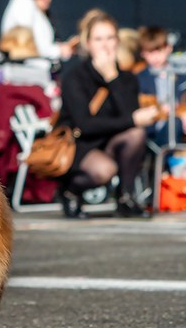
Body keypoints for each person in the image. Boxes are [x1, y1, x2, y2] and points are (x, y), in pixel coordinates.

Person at [54, 11, 159, 218]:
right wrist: (131, 119)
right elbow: (85, 125)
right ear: (88, 43)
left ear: (118, 41)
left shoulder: (126, 79)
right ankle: (69, 191)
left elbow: (130, 117)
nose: (105, 45)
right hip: (79, 144)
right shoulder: (75, 77)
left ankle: (125, 197)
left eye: (110, 38)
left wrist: (112, 77)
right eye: (98, 39)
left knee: (136, 134)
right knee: (104, 169)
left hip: (110, 141)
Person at [136, 25, 186, 145]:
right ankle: (173, 162)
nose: (155, 57)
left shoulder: (185, 75)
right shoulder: (138, 79)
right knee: (174, 123)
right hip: (155, 129)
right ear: (143, 53)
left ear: (168, 48)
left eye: (158, 50)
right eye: (150, 52)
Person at [0, 0, 73, 62]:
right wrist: (58, 50)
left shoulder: (36, 9)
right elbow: (26, 43)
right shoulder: (23, 0)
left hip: (35, 72)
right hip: (25, 73)